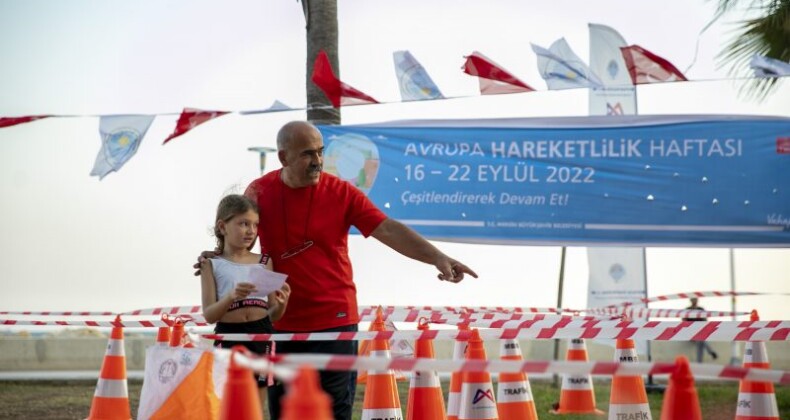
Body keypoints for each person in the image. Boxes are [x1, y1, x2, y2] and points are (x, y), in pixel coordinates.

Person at [196, 121, 477, 420]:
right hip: (279, 324)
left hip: (335, 322)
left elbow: (389, 229)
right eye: (307, 154)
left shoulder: (342, 192)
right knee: (285, 414)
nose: (317, 161)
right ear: (283, 157)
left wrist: (438, 258)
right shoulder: (260, 191)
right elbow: (240, 232)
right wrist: (216, 255)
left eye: (320, 152)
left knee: (334, 414)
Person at [199, 194, 291, 416]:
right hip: (228, 337)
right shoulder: (211, 264)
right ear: (223, 226)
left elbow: (274, 315)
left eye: (255, 225)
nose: (251, 231)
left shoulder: (264, 262)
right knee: (228, 403)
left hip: (262, 336)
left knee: (257, 407)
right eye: (243, 223)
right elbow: (210, 315)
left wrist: (282, 304)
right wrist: (231, 296)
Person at [683, 297, 718, 362]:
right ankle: (710, 352)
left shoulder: (700, 309)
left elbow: (705, 320)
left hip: (700, 331)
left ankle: (700, 361)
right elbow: (684, 321)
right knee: (701, 341)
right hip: (691, 331)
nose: (694, 302)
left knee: (700, 342)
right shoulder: (687, 310)